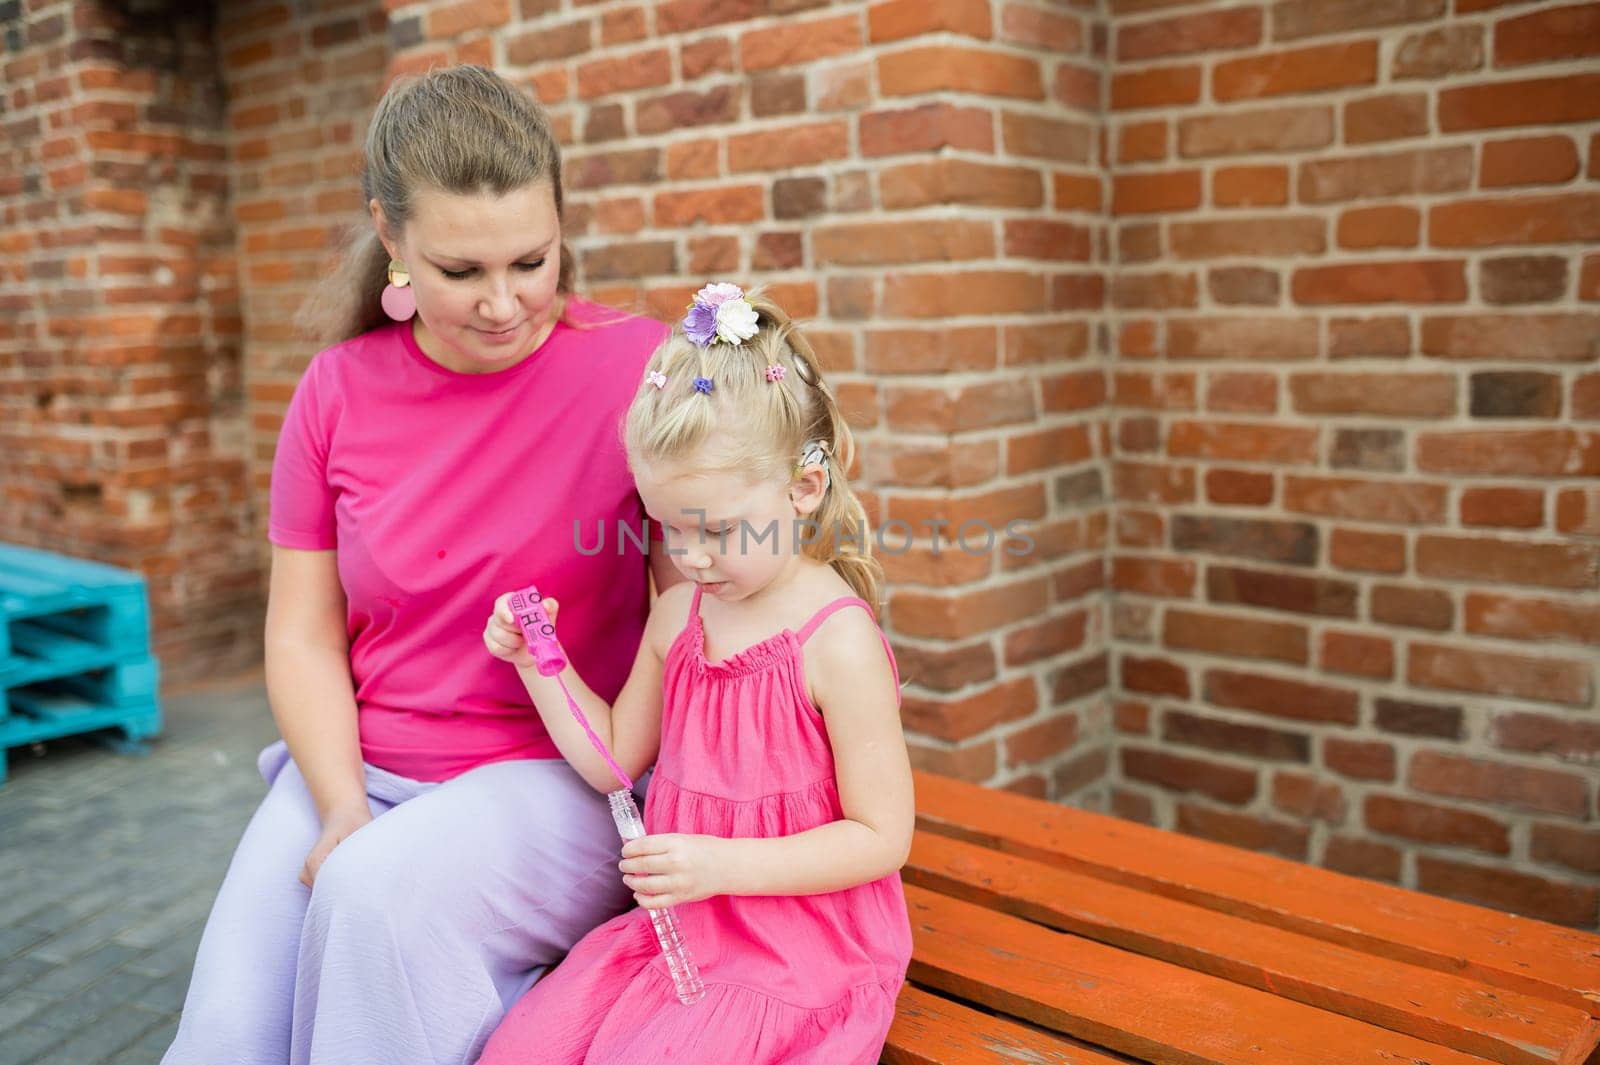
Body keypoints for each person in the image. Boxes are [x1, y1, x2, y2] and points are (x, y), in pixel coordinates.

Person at [162, 65, 681, 1065]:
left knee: (374, 898)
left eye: (532, 260)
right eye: (460, 272)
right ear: (390, 239)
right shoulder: (335, 393)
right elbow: (302, 633)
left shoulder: (645, 372)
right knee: (225, 1036)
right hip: (362, 768)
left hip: (560, 779)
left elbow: (697, 605)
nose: (503, 304)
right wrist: (342, 800)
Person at [477, 285, 914, 1065]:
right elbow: (613, 757)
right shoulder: (681, 618)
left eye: (715, 528)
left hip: (799, 949)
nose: (692, 556)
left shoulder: (834, 640)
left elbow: (883, 837)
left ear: (802, 489)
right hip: (683, 933)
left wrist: (720, 864)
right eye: (671, 529)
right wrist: (537, 662)